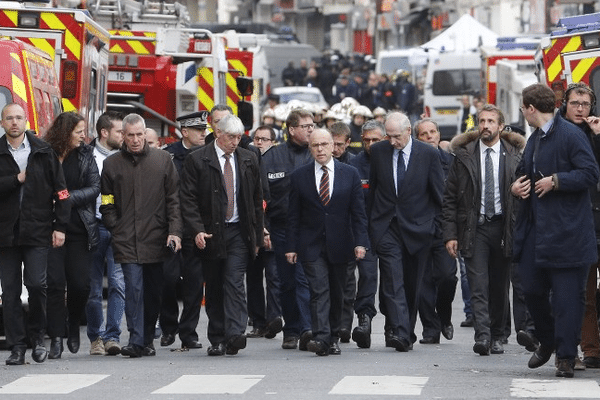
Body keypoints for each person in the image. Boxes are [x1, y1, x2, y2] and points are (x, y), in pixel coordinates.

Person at [512, 83, 599, 378]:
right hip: (537, 232)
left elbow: (590, 173)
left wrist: (556, 181)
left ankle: (564, 357)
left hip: (567, 233)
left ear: (531, 109)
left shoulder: (571, 135)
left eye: (523, 108)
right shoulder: (535, 138)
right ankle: (547, 341)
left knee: (566, 300)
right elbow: (522, 171)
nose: (523, 112)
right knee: (532, 290)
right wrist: (516, 186)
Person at [443, 104, 525, 356]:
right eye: (482, 121)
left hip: (503, 228)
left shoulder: (515, 155)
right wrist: (451, 234)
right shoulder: (464, 156)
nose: (486, 125)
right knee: (478, 285)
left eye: (491, 121)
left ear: (501, 126)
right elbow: (450, 199)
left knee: (499, 286)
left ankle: (499, 334)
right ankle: (482, 336)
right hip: (475, 228)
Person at [180, 114, 264, 356]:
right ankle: (217, 338)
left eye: (239, 137)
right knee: (214, 285)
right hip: (210, 233)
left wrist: (257, 235)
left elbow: (257, 200)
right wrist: (196, 229)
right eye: (230, 137)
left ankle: (236, 333)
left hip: (239, 230)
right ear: (218, 133)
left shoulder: (248, 159)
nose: (235, 142)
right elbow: (188, 199)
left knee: (234, 280)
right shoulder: (198, 159)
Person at [100, 113, 182, 358]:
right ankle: (136, 340)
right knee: (133, 290)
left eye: (139, 135)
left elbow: (173, 201)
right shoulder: (112, 164)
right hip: (126, 239)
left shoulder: (163, 160)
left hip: (156, 238)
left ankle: (147, 340)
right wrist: (116, 226)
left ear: (145, 134)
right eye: (130, 135)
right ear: (122, 136)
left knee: (154, 292)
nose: (135, 140)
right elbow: (106, 202)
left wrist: (174, 231)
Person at [285, 128, 368, 356]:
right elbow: (293, 215)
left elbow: (358, 213)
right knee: (318, 290)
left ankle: (333, 336)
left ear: (333, 146)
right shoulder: (299, 176)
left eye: (324, 144)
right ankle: (321, 338)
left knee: (337, 291)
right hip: (311, 244)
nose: (320, 149)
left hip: (341, 243)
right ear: (309, 148)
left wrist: (360, 242)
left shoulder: (349, 173)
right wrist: (291, 247)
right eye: (315, 145)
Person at [0, 103, 70, 365]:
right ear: (2, 123)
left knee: (37, 285)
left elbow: (62, 192)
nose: (14, 123)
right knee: (9, 292)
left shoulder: (43, 151)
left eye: (19, 118)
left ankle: (38, 338)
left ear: (26, 121)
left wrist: (60, 226)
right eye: (9, 118)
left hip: (38, 230)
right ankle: (16, 346)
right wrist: (16, 179)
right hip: (6, 234)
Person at [368, 111, 444, 351]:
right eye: (388, 136)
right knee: (392, 280)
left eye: (396, 136)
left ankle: (407, 331)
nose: (392, 142)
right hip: (387, 227)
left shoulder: (429, 154)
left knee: (412, 285)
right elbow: (374, 191)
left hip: (419, 230)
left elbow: (439, 195)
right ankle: (400, 332)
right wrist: (371, 226)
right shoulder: (379, 152)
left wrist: (439, 229)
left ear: (409, 131)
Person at [45, 112, 100, 359]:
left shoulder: (86, 154)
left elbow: (94, 188)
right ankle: (56, 336)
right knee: (55, 285)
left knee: (80, 285)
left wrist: (66, 197)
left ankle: (74, 321)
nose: (83, 135)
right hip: (50, 229)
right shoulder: (46, 154)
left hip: (79, 229)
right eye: (78, 131)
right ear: (65, 132)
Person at [261, 109, 314, 351]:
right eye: (306, 126)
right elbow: (262, 197)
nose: (310, 130)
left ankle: (307, 329)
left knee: (305, 279)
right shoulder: (272, 157)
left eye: (313, 125)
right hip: (280, 229)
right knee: (286, 281)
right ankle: (291, 330)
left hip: (308, 228)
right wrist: (265, 229)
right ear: (292, 129)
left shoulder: (316, 154)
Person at [159, 111, 209, 350]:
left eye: (204, 130)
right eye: (199, 130)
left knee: (194, 284)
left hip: (196, 227)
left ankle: (188, 333)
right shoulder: (167, 156)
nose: (204, 134)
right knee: (167, 279)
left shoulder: (207, 156)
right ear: (185, 132)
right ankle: (169, 326)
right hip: (171, 227)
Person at [559, 82, 600, 369]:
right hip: (575, 223)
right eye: (575, 103)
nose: (580, 109)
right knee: (580, 292)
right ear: (565, 104)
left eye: (585, 104)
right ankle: (588, 349)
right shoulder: (556, 133)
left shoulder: (596, 133)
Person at [414, 118, 458, 345]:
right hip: (419, 230)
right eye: (424, 134)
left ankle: (444, 316)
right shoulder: (413, 162)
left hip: (445, 229)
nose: (430, 136)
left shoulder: (451, 161)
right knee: (422, 283)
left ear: (439, 135)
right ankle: (430, 329)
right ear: (417, 139)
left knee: (447, 277)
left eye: (433, 132)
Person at [87, 111, 126, 356]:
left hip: (119, 228)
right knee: (91, 287)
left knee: (117, 283)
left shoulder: (126, 157)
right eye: (119, 132)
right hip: (93, 227)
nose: (124, 136)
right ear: (104, 133)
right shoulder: (86, 157)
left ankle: (112, 336)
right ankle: (95, 337)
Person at [346, 120, 384, 349]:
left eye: (375, 140)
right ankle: (363, 320)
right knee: (365, 275)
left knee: (388, 281)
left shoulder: (392, 161)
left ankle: (394, 327)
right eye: (366, 140)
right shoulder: (354, 165)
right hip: (361, 231)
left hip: (388, 230)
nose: (370, 144)